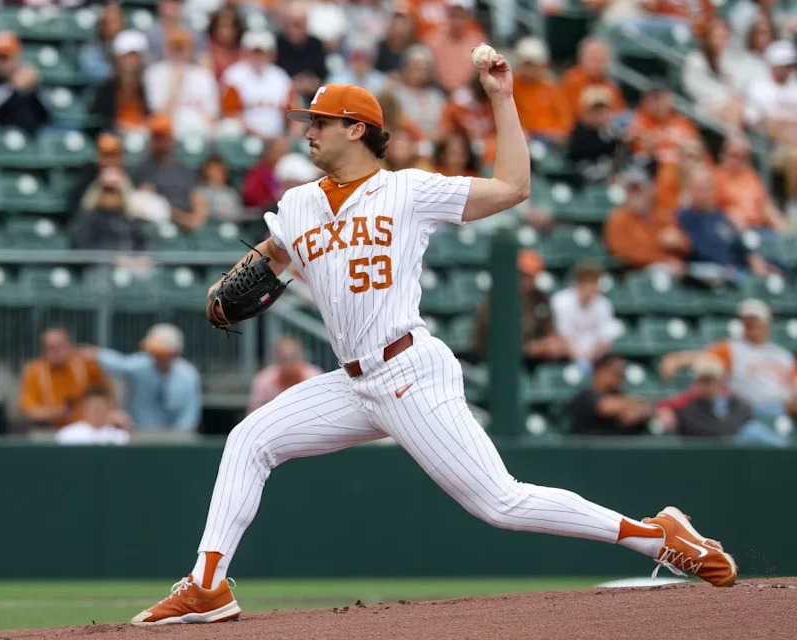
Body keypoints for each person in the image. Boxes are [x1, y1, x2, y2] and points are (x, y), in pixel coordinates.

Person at [130, 55, 735, 627]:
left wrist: (501, 98)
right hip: (352, 381)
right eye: (306, 122)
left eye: (319, 122)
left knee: (501, 503)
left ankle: (657, 534)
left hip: (408, 370)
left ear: (357, 129)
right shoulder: (297, 204)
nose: (308, 132)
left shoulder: (407, 192)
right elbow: (274, 256)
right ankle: (208, 583)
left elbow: (513, 186)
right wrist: (230, 282)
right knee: (249, 439)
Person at [661, 298, 797, 423]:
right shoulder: (733, 349)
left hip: (785, 409)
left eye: (755, 320)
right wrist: (676, 360)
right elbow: (703, 358)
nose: (750, 325)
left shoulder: (783, 355)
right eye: (746, 322)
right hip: (749, 410)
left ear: (766, 323)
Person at [83, 324, 202, 431]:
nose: (156, 358)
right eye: (153, 353)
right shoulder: (142, 364)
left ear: (175, 354)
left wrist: (179, 439)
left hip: (175, 439)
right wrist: (95, 354)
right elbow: (120, 363)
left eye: (162, 354)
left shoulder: (188, 375)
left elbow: (189, 415)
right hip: (139, 434)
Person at [656, 355, 788, 446]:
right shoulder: (686, 403)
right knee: (753, 432)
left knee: (759, 424)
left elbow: (744, 413)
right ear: (697, 382)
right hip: (710, 449)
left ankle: (788, 453)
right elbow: (661, 405)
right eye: (704, 381)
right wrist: (664, 411)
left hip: (734, 448)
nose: (708, 385)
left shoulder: (734, 401)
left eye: (712, 380)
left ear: (720, 382)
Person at [472, 249, 569, 363]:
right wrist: (529, 348)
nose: (526, 280)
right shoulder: (497, 300)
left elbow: (549, 329)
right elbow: (495, 342)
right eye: (522, 275)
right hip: (494, 361)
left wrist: (550, 343)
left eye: (531, 276)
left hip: (532, 361)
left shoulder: (540, 298)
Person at [677, 168, 771, 285]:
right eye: (697, 187)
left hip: (732, 274)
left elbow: (742, 248)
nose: (701, 192)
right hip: (699, 278)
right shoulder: (680, 218)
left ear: (712, 189)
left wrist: (756, 262)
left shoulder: (722, 217)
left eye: (705, 187)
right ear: (689, 189)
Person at [18, 327, 112, 429]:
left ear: (70, 346)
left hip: (86, 430)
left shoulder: (86, 366)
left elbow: (107, 398)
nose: (56, 352)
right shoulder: (34, 372)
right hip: (51, 430)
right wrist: (59, 412)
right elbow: (30, 411)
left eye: (60, 346)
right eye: (50, 348)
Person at [743, 40, 797, 218]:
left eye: (790, 65)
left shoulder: (794, 87)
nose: (788, 69)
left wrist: (779, 122)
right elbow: (753, 121)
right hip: (771, 146)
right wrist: (782, 126)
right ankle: (792, 205)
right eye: (784, 65)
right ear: (773, 64)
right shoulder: (760, 88)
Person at [129, 114, 209, 232]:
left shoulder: (183, 169)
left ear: (172, 138)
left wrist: (195, 220)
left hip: (188, 224)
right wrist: (184, 220)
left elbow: (197, 198)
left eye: (163, 137)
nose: (161, 142)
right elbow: (151, 205)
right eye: (157, 137)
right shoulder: (143, 169)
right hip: (160, 226)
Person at [604, 166, 689, 274]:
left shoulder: (663, 217)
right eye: (630, 190)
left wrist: (679, 243)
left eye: (639, 189)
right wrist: (662, 259)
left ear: (650, 190)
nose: (635, 194)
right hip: (634, 275)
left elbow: (685, 247)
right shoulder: (618, 219)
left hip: (669, 275)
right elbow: (624, 252)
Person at [143, 28, 220, 140]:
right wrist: (177, 84)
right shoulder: (155, 72)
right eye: (174, 48)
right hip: (170, 130)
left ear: (190, 49)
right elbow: (160, 113)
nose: (178, 52)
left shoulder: (203, 75)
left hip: (200, 130)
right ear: (166, 48)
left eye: (182, 48)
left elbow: (212, 114)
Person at [220, 30, 297, 139]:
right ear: (245, 52)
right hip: (245, 136)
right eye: (254, 52)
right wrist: (254, 133)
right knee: (230, 128)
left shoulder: (280, 77)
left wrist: (291, 136)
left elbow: (293, 111)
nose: (258, 56)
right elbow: (231, 113)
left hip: (277, 137)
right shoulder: (234, 75)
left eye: (262, 52)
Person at [0, 31, 50, 136]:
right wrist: (11, 87)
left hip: (36, 131)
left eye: (7, 57)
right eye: (0, 57)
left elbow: (47, 111)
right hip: (4, 132)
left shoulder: (28, 76)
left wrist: (35, 87)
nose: (2, 62)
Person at [713, 134, 787, 235]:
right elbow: (710, 210)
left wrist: (777, 220)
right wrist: (727, 214)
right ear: (723, 154)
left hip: (760, 227)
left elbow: (765, 204)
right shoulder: (716, 177)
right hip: (735, 231)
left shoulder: (751, 176)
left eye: (742, 157)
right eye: (733, 155)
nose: (737, 161)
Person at [551, 262, 619, 368]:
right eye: (589, 282)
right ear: (579, 283)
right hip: (565, 358)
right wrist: (579, 356)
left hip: (595, 358)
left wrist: (588, 356)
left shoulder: (604, 305)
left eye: (596, 282)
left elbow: (604, 339)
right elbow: (561, 336)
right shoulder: (561, 302)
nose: (594, 287)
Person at [568, 353, 653, 435]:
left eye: (622, 374)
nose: (620, 378)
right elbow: (605, 407)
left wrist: (639, 410)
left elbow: (647, 409)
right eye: (616, 373)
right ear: (600, 371)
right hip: (589, 448)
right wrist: (631, 407)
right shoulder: (585, 396)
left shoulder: (621, 395)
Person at [511, 37, 572, 145]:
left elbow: (565, 121)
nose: (529, 70)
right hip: (524, 140)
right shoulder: (511, 88)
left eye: (533, 65)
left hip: (551, 142)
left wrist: (555, 134)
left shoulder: (551, 88)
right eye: (526, 65)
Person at [88, 29, 151, 134]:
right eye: (127, 56)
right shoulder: (107, 87)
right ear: (118, 59)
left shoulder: (146, 86)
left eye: (135, 56)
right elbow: (100, 119)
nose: (131, 61)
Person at [71, 167, 146, 251]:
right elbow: (83, 247)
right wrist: (114, 259)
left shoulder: (133, 219)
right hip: (99, 263)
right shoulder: (87, 219)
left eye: (114, 191)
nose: (110, 196)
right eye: (106, 190)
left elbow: (143, 245)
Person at [566, 86, 628, 184]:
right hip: (582, 178)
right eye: (594, 111)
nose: (599, 115)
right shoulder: (579, 131)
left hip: (606, 176)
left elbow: (619, 155)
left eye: (602, 111)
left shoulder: (610, 131)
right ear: (585, 111)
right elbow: (577, 153)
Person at [247, 337, 323, 413]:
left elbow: (322, 406)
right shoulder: (263, 380)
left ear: (302, 357)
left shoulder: (315, 377)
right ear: (276, 360)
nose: (290, 363)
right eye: (284, 359)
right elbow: (254, 411)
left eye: (294, 357)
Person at [424, 0, 486, 93]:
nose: (457, 21)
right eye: (453, 15)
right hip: (437, 91)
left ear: (468, 17)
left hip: (470, 94)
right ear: (447, 15)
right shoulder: (432, 40)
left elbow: (480, 72)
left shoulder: (478, 41)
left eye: (461, 16)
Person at [560, 37, 627, 117]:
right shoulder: (572, 81)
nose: (597, 65)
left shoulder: (609, 85)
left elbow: (620, 111)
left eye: (601, 60)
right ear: (581, 58)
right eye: (593, 59)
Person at [276, 2, 328, 104]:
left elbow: (323, 74)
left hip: (314, 97)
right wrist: (292, 84)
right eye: (294, 23)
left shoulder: (316, 44)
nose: (297, 28)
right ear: (286, 23)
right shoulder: (278, 43)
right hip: (284, 97)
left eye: (301, 23)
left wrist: (312, 83)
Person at [68, 132, 126, 215]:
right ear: (98, 156)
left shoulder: (131, 175)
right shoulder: (87, 176)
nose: (110, 160)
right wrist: (99, 186)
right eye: (106, 155)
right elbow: (79, 211)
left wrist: (123, 186)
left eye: (114, 155)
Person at [55, 387, 131, 446]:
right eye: (92, 408)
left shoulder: (119, 436)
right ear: (85, 408)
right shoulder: (68, 434)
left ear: (108, 408)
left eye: (100, 408)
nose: (96, 412)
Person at [79, 0, 126, 83]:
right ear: (103, 25)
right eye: (112, 22)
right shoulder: (91, 50)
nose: (117, 26)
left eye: (119, 21)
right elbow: (98, 77)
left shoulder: (132, 45)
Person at [197, 156, 243, 222]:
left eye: (220, 169)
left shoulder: (232, 192)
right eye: (214, 169)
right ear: (206, 171)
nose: (217, 172)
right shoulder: (200, 193)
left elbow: (238, 214)